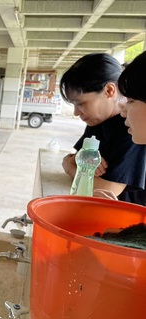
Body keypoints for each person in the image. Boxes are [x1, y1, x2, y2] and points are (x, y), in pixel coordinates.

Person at [60, 53, 146, 205]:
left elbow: (108, 189)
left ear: (109, 91)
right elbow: (76, 157)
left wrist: (71, 167)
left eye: (81, 104)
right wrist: (76, 161)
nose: (76, 112)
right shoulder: (98, 122)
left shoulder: (134, 129)